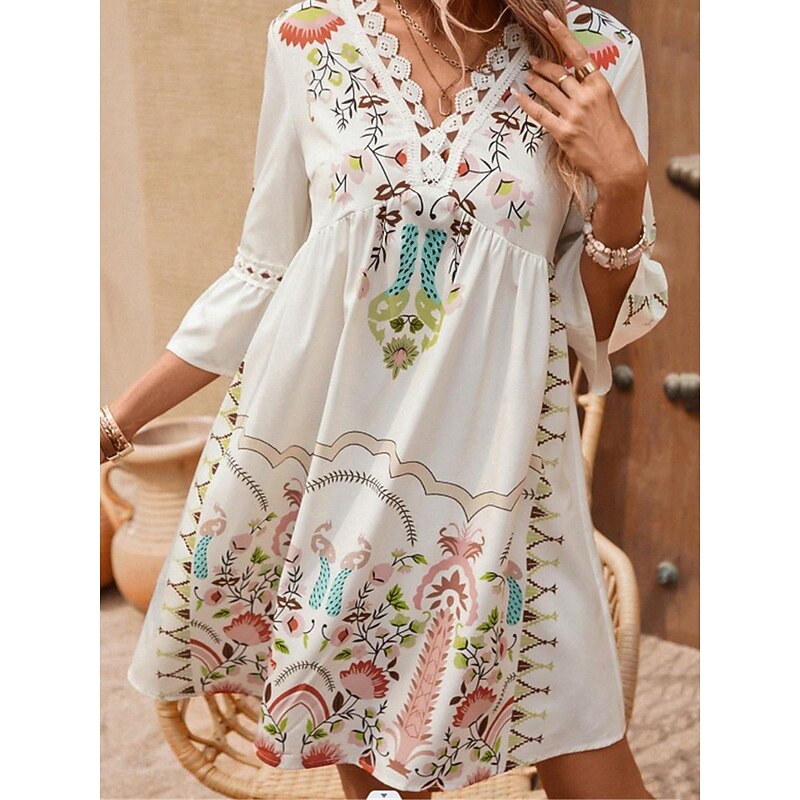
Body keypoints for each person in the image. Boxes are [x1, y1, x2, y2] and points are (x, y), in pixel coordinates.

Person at [101, 1, 667, 797]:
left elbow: (588, 321)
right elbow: (263, 274)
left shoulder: (598, 54)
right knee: (385, 781)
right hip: (342, 499)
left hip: (499, 496)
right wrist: (112, 423)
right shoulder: (311, 39)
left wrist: (624, 186)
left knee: (592, 756)